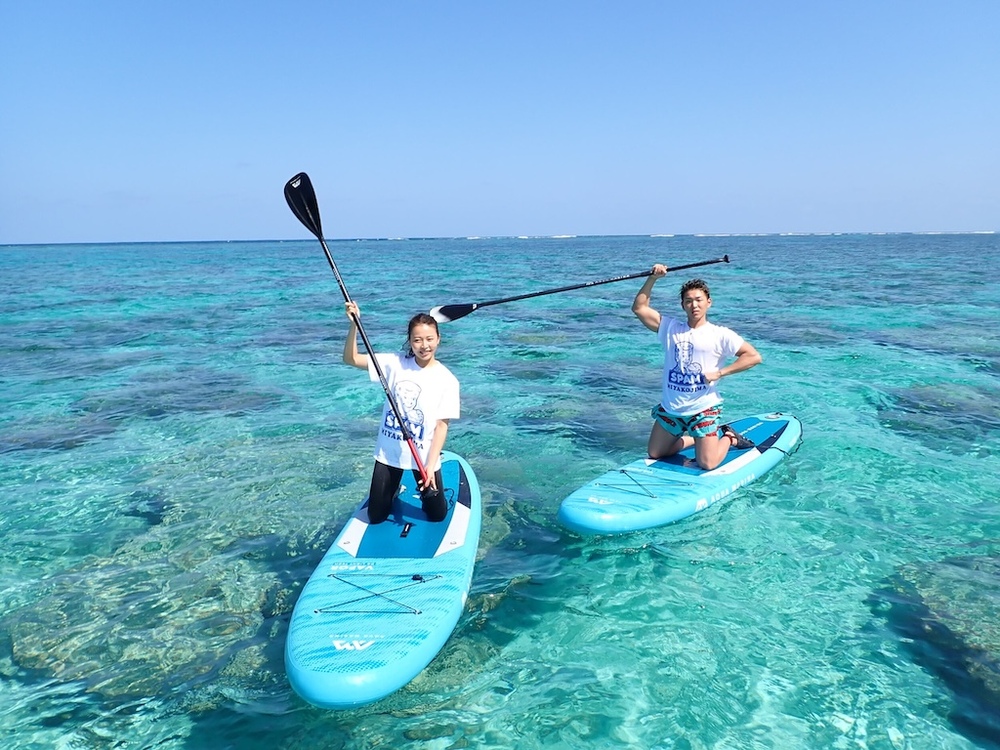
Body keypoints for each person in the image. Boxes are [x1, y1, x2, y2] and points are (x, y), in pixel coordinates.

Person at [632, 264, 762, 470]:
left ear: (709, 302)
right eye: (688, 301)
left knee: (708, 464)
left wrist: (720, 373)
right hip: (672, 409)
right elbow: (639, 308)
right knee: (656, 453)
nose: (694, 305)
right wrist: (652, 279)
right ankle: (698, 439)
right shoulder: (670, 328)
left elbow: (753, 356)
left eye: (699, 300)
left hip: (703, 409)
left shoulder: (720, 334)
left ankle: (729, 437)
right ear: (683, 305)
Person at [343, 301, 460, 524]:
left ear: (438, 339)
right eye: (417, 340)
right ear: (410, 341)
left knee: (437, 515)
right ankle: (394, 489)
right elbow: (351, 359)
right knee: (375, 517)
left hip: (422, 456)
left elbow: (441, 426)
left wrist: (431, 464)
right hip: (389, 452)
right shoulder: (394, 363)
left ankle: (422, 486)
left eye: (429, 339)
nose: (424, 346)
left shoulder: (448, 380)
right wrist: (354, 325)